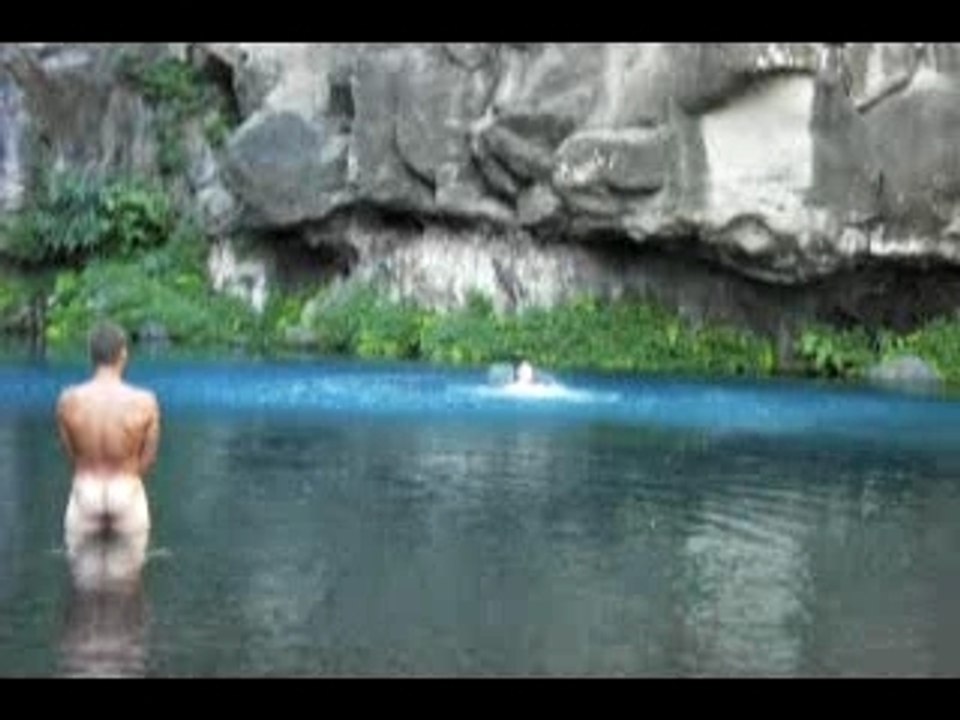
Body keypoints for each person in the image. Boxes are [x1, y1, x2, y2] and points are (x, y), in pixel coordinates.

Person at [56, 321, 160, 549]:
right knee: (128, 581)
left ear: (90, 355)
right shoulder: (145, 401)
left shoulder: (68, 400)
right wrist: (130, 475)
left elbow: (69, 452)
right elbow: (149, 458)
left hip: (86, 491)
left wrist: (85, 469)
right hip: (126, 491)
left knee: (81, 582)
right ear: (123, 353)